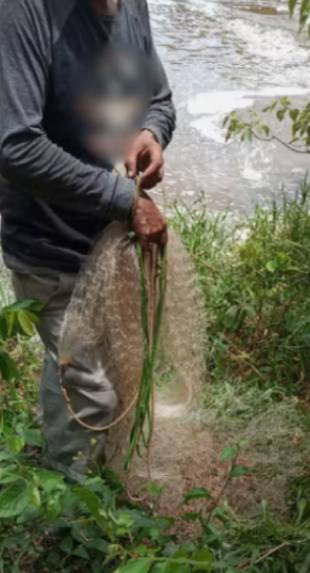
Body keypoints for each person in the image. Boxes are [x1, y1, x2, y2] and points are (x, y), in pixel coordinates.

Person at [0, 0, 174, 481]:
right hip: (49, 248)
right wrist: (126, 200)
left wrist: (152, 132)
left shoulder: (130, 6)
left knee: (110, 378)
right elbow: (14, 145)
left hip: (113, 248)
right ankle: (73, 526)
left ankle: (99, 488)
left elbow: (158, 97)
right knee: (92, 396)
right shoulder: (23, 12)